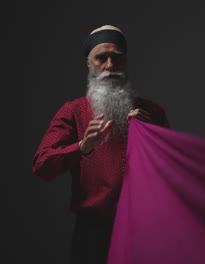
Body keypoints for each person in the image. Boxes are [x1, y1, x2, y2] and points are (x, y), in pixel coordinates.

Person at [32, 25, 170, 264]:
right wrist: (82, 146)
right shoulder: (73, 111)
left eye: (117, 58)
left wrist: (153, 135)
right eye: (101, 58)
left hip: (146, 225)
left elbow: (172, 170)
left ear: (125, 62)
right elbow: (42, 165)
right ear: (88, 63)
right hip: (94, 229)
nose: (109, 66)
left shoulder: (152, 112)